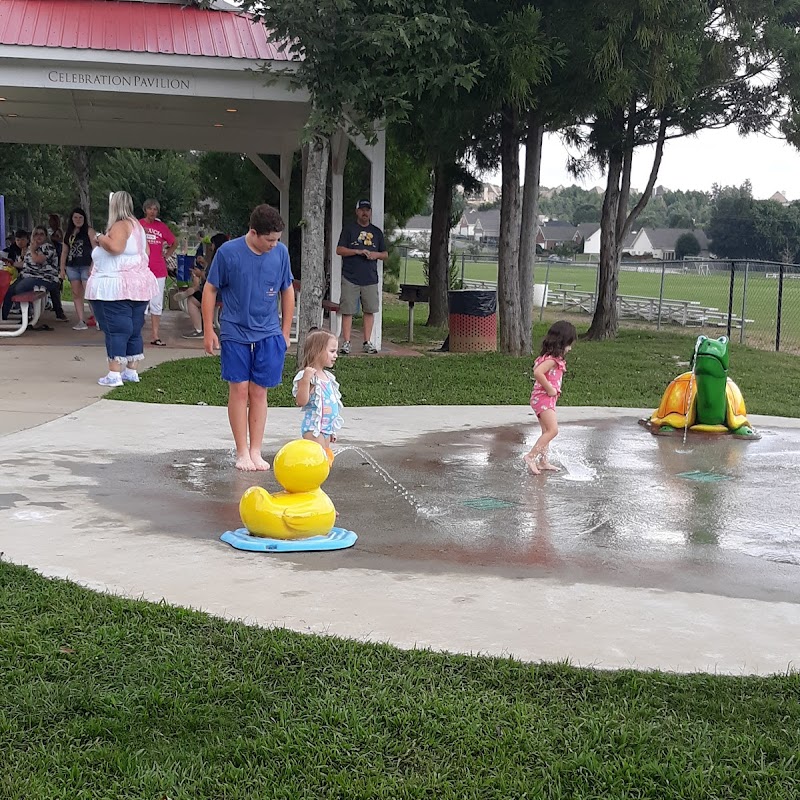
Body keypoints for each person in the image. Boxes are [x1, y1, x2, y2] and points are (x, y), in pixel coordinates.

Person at [202, 205, 294, 472]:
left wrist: (285, 332)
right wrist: (209, 330)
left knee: (259, 390)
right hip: (235, 331)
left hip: (268, 331)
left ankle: (256, 450)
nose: (274, 245)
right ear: (253, 233)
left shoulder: (281, 253)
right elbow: (210, 289)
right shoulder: (228, 253)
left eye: (277, 239)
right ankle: (242, 451)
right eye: (270, 240)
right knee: (240, 389)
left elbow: (287, 291)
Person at [85, 191, 159, 387]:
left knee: (116, 329)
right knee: (133, 329)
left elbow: (115, 247)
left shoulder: (120, 225)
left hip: (115, 287)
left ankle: (114, 374)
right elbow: (147, 251)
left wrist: (99, 237)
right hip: (138, 284)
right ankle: (131, 370)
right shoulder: (138, 226)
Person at [523, 320, 577, 475]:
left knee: (545, 430)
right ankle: (531, 456)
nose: (570, 348)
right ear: (562, 342)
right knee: (553, 430)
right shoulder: (551, 360)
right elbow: (537, 372)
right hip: (544, 398)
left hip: (543, 399)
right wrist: (550, 389)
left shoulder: (550, 358)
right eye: (569, 344)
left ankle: (543, 461)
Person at [335, 199, 387, 355]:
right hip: (350, 276)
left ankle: (367, 341)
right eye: (362, 210)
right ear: (357, 211)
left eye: (367, 210)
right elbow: (339, 250)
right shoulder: (349, 229)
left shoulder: (377, 232)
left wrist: (374, 255)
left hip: (370, 278)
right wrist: (357, 251)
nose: (365, 212)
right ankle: (346, 342)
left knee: (370, 310)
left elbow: (385, 254)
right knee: (348, 310)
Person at [1, 225, 67, 323]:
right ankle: (4, 318)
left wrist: (32, 250)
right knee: (9, 290)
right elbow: (25, 264)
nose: (38, 236)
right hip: (26, 275)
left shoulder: (48, 247)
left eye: (41, 234)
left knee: (20, 288)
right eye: (36, 234)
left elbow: (38, 260)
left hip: (43, 277)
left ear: (46, 236)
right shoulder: (30, 248)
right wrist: (12, 263)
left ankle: (28, 315)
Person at [292, 329, 343, 452]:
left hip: (326, 429)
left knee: (325, 461)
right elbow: (301, 401)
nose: (336, 355)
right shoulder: (308, 376)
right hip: (313, 429)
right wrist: (305, 380)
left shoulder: (327, 376)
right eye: (332, 351)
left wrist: (332, 430)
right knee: (319, 458)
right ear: (317, 351)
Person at [139, 198, 177, 346]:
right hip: (142, 269)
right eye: (150, 209)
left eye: (155, 209)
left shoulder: (161, 227)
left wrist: (166, 255)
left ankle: (155, 335)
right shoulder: (139, 225)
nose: (152, 212)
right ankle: (137, 334)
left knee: (156, 302)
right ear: (145, 210)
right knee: (141, 302)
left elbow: (174, 242)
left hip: (158, 269)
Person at [178, 232, 227, 338]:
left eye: (212, 244)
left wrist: (200, 274)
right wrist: (205, 264)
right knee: (197, 291)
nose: (211, 247)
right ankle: (193, 290)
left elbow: (211, 278)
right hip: (225, 293)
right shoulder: (227, 258)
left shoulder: (217, 258)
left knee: (192, 301)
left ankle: (198, 329)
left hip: (215, 294)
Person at [60, 208, 97, 330]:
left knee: (90, 294)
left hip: (86, 265)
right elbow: (65, 252)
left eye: (80, 217)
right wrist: (62, 268)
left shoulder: (89, 231)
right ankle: (81, 320)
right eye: (75, 217)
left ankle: (98, 319)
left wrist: (93, 265)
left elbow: (95, 249)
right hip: (72, 266)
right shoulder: (69, 233)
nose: (78, 220)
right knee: (76, 294)